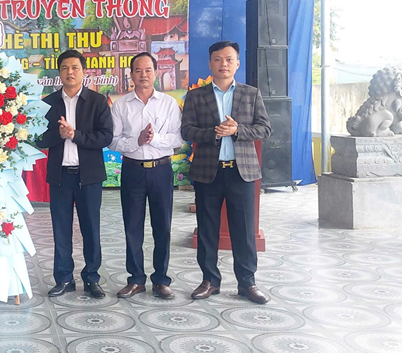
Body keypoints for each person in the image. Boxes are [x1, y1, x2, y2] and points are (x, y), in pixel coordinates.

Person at [181, 41, 272, 305]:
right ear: (210, 63)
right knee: (207, 229)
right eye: (218, 59)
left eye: (229, 59)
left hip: (241, 173)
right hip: (208, 172)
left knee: (244, 231)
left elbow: (265, 129)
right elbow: (186, 131)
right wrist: (213, 133)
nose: (224, 64)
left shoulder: (251, 94)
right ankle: (209, 281)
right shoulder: (196, 96)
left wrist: (237, 130)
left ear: (237, 63)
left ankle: (247, 283)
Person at [36, 49, 113, 299]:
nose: (70, 72)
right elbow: (39, 138)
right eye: (65, 68)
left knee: (91, 229)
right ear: (59, 73)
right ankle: (64, 278)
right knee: (61, 230)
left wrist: (75, 135)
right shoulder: (48, 103)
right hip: (60, 177)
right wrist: (59, 135)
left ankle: (92, 278)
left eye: (75, 68)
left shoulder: (97, 101)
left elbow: (105, 137)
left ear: (83, 71)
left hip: (88, 177)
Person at [109, 52, 184, 299]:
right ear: (131, 75)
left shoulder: (168, 103)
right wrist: (137, 141)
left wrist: (155, 138)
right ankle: (136, 279)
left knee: (162, 226)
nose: (143, 75)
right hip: (133, 170)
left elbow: (178, 138)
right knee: (132, 227)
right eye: (138, 70)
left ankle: (161, 280)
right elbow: (113, 141)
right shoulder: (121, 105)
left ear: (156, 73)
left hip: (161, 169)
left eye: (148, 70)